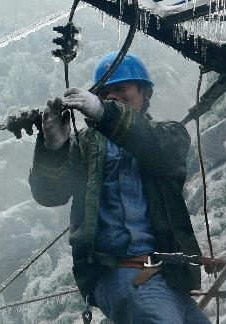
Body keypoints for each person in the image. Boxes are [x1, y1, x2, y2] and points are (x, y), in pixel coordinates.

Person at [28, 52, 210, 323]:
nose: (112, 96)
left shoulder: (169, 134)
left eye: (121, 88)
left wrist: (105, 114)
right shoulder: (85, 144)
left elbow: (161, 150)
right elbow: (50, 194)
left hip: (169, 278)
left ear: (144, 93)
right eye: (105, 92)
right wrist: (53, 147)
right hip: (123, 274)